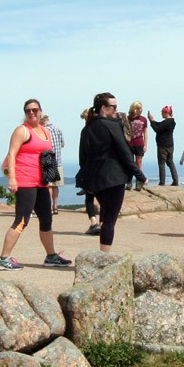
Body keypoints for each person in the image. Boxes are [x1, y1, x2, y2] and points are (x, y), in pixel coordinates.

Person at [0, 99, 71, 270]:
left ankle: (51, 256)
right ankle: (3, 259)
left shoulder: (45, 131)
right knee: (22, 220)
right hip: (25, 181)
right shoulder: (21, 131)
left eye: (35, 110)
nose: (32, 113)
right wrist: (12, 179)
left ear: (41, 111)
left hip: (41, 182)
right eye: (28, 110)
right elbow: (12, 154)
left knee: (46, 219)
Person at [78, 93, 139, 252]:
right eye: (114, 107)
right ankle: (104, 257)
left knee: (105, 217)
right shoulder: (112, 125)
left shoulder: (86, 130)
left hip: (96, 180)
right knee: (109, 219)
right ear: (104, 108)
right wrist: (139, 175)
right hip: (114, 178)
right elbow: (125, 152)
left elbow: (82, 159)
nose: (116, 110)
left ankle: (102, 254)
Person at [79, 108, 102, 235]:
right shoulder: (100, 130)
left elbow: (82, 153)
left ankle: (93, 222)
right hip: (101, 167)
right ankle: (103, 223)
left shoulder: (85, 131)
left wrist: (83, 169)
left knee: (89, 197)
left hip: (89, 167)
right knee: (102, 197)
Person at [148, 106, 179, 186]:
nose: (161, 114)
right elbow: (159, 125)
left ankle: (162, 182)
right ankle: (175, 180)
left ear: (166, 113)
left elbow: (157, 129)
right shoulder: (171, 122)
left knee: (161, 164)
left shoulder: (166, 122)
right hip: (170, 145)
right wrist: (153, 121)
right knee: (170, 162)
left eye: (162, 112)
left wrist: (151, 121)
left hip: (163, 146)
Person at [40, 114, 65, 214]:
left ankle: (49, 207)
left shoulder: (43, 131)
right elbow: (62, 144)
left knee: (49, 186)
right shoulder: (58, 129)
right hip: (58, 161)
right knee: (56, 185)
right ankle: (55, 206)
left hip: (47, 162)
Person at [126, 102, 149, 191]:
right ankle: (129, 182)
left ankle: (139, 182)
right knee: (129, 163)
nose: (140, 110)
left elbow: (145, 132)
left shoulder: (143, 119)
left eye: (141, 108)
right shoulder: (128, 119)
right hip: (129, 143)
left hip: (139, 143)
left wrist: (145, 144)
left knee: (138, 163)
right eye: (138, 108)